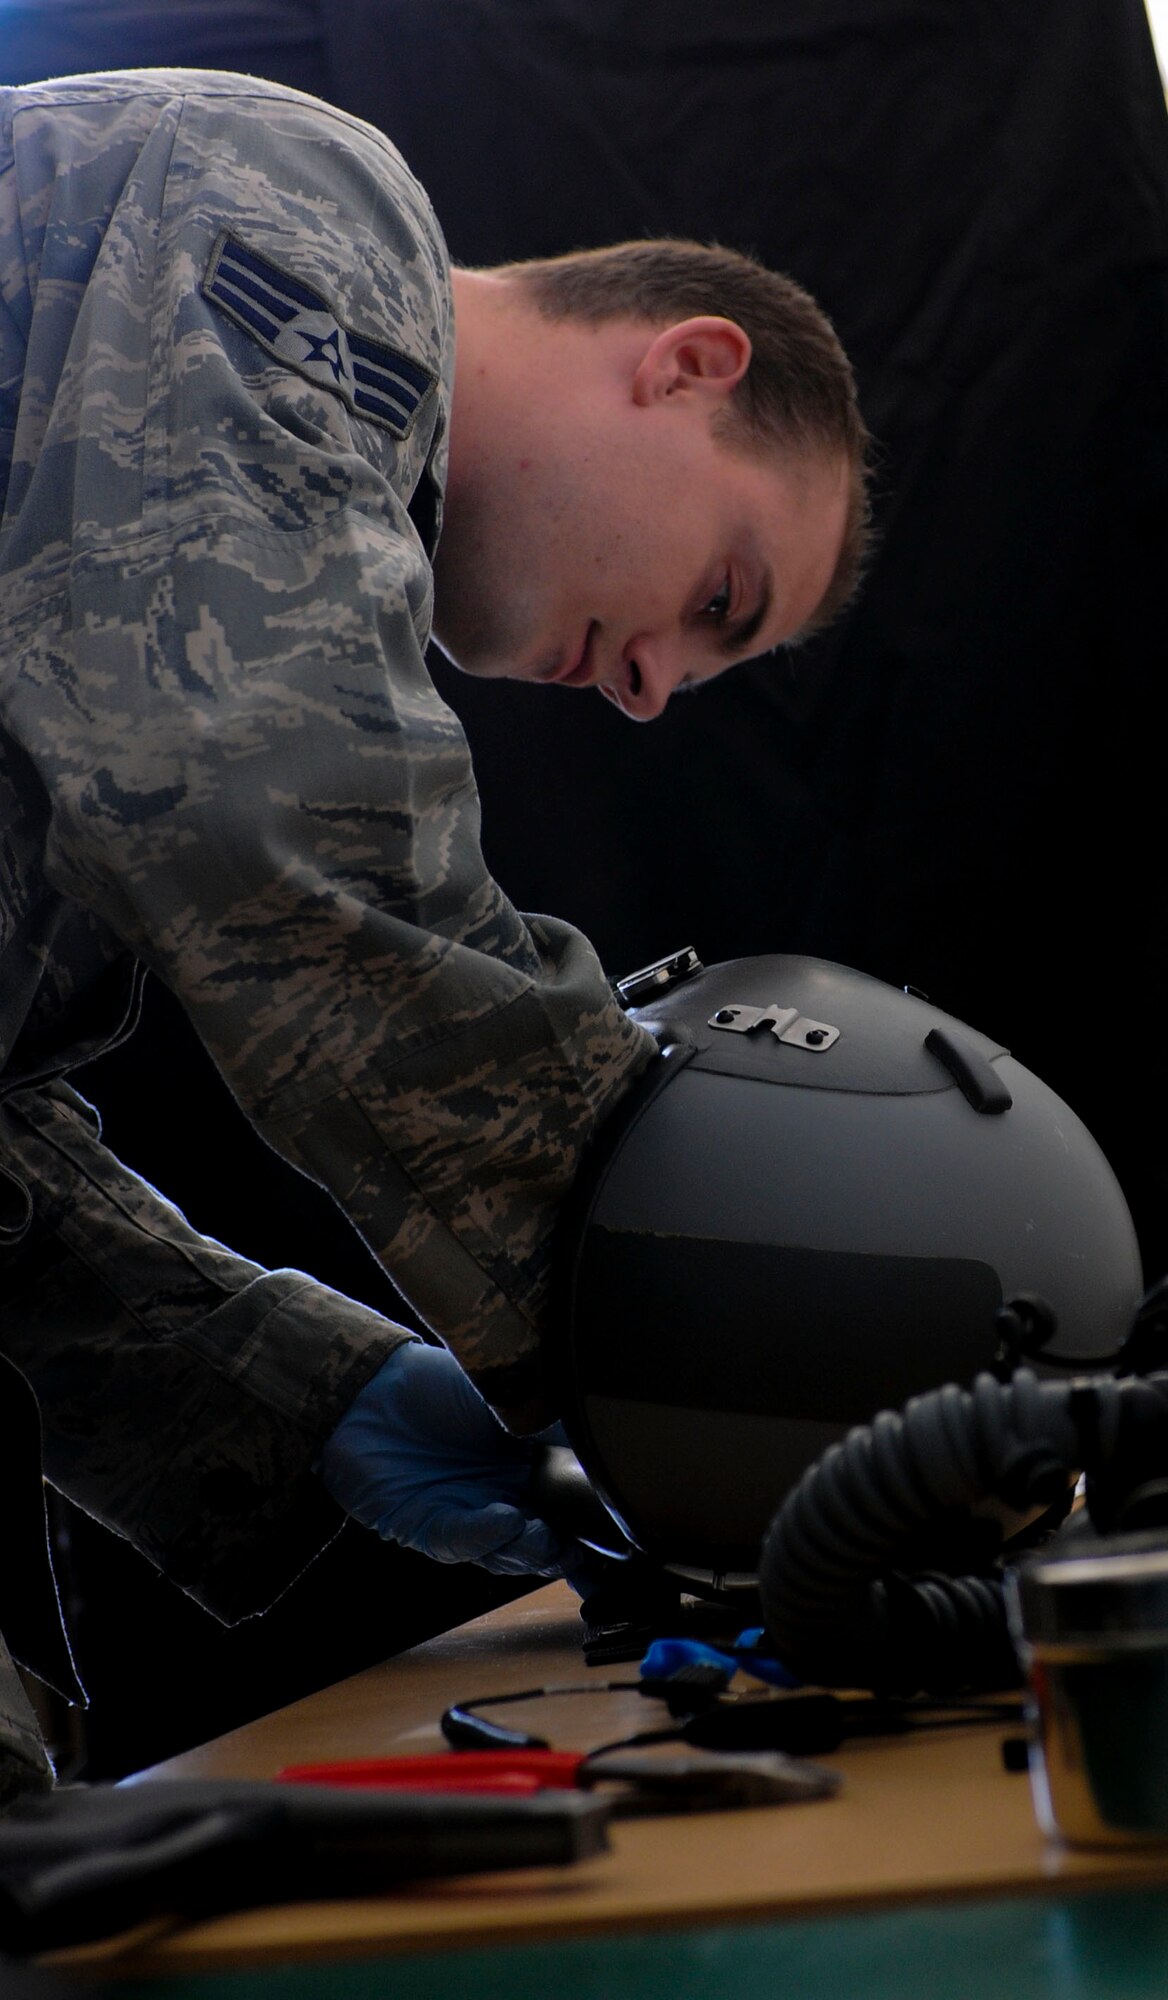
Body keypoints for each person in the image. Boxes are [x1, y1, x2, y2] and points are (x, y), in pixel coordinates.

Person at [0, 67, 869, 1799]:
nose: (647, 693)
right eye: (717, 600)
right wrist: (679, 1324)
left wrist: (297, 1389)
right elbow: (266, 816)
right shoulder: (285, 193)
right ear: (690, 362)